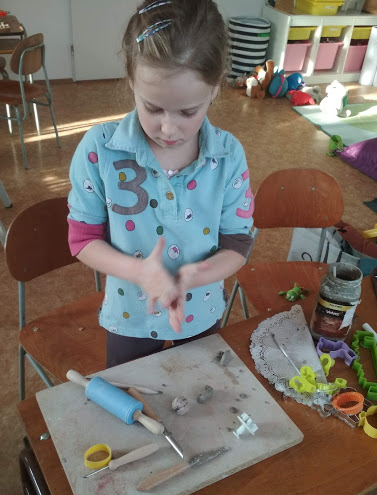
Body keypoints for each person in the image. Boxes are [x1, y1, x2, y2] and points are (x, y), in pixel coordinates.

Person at [67, 0, 254, 368]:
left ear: (216, 88)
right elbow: (82, 239)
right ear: (130, 77)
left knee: (203, 390)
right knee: (131, 394)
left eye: (188, 111)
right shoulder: (99, 150)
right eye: (152, 108)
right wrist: (139, 272)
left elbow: (238, 243)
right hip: (130, 317)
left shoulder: (228, 155)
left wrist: (194, 275)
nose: (169, 129)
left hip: (201, 312)